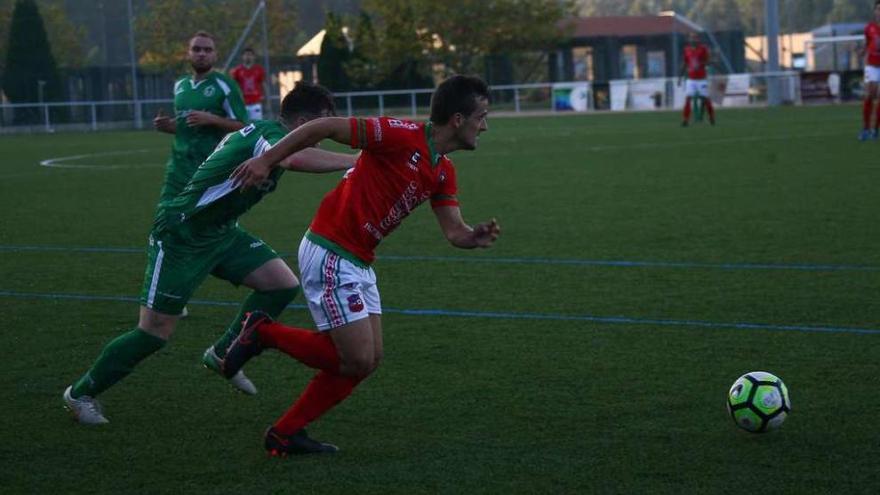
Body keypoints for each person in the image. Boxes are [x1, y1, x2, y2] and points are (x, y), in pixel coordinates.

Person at [220, 74, 501, 456]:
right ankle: (263, 333)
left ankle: (284, 434)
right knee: (355, 357)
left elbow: (454, 232)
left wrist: (473, 237)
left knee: (366, 362)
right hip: (331, 247)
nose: (484, 125)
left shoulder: (443, 171)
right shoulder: (400, 134)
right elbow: (325, 126)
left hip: (359, 259)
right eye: (481, 116)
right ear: (456, 119)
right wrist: (267, 159)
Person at [63, 82, 355, 425]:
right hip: (182, 233)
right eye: (323, 122)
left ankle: (222, 353)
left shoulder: (270, 134)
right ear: (304, 121)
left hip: (220, 232)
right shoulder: (270, 134)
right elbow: (293, 157)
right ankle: (81, 393)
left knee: (280, 284)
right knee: (153, 333)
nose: (326, 130)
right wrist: (355, 161)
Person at [679, 32, 715, 127]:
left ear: (698, 39)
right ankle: (685, 120)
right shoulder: (686, 49)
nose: (693, 39)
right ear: (689, 39)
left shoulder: (703, 49)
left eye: (695, 38)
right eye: (692, 38)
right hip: (691, 79)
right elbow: (685, 63)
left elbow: (709, 61)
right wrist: (680, 77)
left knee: (706, 99)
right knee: (688, 99)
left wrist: (701, 63)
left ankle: (711, 117)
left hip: (701, 79)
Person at [859, 0, 880, 141]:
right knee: (869, 95)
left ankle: (875, 130)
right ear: (875, 11)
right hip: (871, 65)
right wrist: (861, 51)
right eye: (878, 9)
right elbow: (867, 44)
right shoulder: (869, 28)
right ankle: (866, 129)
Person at [230, 47, 268, 121]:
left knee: (256, 125)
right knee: (243, 125)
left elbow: (263, 85)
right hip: (242, 103)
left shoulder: (259, 70)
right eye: (246, 55)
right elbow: (233, 86)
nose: (248, 57)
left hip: (255, 103)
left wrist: (266, 99)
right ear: (242, 57)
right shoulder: (237, 71)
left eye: (250, 55)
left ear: (254, 57)